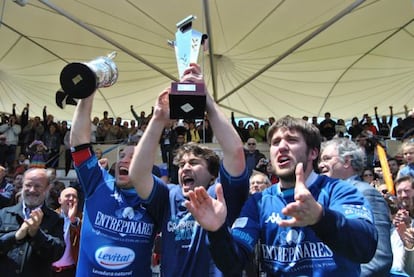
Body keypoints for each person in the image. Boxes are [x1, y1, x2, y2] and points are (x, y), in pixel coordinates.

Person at [185, 115, 378, 276]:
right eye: (276, 142)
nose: (282, 147)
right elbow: (234, 264)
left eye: (292, 140)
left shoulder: (340, 191)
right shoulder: (259, 202)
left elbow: (365, 248)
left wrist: (320, 217)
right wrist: (217, 231)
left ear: (313, 152)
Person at [129, 63, 249, 276]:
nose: (185, 168)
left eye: (194, 163)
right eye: (182, 164)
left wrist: (207, 101)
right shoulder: (169, 196)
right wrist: (157, 119)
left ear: (212, 174)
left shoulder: (219, 194)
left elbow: (236, 153)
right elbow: (137, 174)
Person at [69, 88, 161, 276]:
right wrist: (88, 91)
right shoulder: (98, 181)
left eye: (132, 157)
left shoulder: (159, 197)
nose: (123, 160)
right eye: (121, 155)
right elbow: (79, 143)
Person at [318, 138, 393, 276]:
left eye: (327, 159)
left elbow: (380, 257)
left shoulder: (366, 193)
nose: (321, 165)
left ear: (347, 161)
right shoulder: (323, 197)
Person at [0, 168, 65, 276]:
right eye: (28, 185)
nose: (32, 190)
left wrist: (36, 233)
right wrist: (15, 236)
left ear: (47, 188)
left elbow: (56, 253)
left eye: (38, 186)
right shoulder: (3, 214)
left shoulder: (55, 219)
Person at [52, 187, 81, 277]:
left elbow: (84, 237)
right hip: (49, 270)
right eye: (68, 196)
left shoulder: (82, 218)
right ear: (60, 200)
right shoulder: (51, 216)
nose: (71, 199)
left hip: (70, 271)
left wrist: (72, 219)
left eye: (74, 196)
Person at [390, 176, 414, 276]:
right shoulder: (392, 225)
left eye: (407, 191)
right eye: (399, 192)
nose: (403, 195)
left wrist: (408, 227)